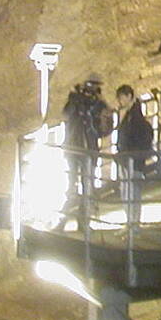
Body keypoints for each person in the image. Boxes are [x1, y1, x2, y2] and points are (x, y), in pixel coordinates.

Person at [61, 78, 111, 224]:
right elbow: (66, 114)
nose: (91, 90)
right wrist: (74, 99)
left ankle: (84, 221)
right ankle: (64, 219)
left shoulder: (98, 105)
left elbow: (106, 128)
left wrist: (101, 104)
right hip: (74, 149)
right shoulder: (75, 102)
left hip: (89, 151)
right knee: (72, 186)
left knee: (87, 187)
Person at [114, 84, 154, 220]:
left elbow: (134, 137)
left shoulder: (135, 116)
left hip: (132, 160)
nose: (120, 101)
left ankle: (133, 224)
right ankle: (131, 223)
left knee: (132, 193)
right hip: (127, 159)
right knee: (128, 192)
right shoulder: (131, 115)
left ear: (129, 96)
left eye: (121, 98)